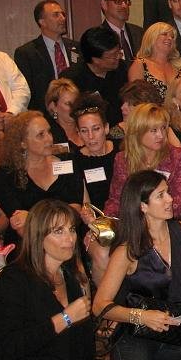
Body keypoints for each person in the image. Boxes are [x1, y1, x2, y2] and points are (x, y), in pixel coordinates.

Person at [0, 200, 149, 360]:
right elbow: (7, 348)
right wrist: (65, 318)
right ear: (38, 236)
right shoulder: (13, 281)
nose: (69, 238)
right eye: (58, 231)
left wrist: (98, 332)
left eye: (71, 229)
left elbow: (81, 344)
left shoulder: (68, 276)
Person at [92, 170, 181, 360]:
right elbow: (99, 305)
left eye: (168, 192)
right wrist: (142, 316)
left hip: (174, 331)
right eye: (161, 195)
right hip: (136, 332)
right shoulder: (127, 250)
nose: (170, 199)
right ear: (143, 206)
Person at [0, 111, 84, 253]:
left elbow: (75, 211)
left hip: (68, 240)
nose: (49, 139)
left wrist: (31, 217)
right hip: (28, 247)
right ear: (23, 143)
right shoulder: (4, 175)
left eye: (49, 132)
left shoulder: (68, 161)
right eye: (40, 135)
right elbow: (21, 226)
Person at [104, 103, 181, 221]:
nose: (161, 135)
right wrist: (106, 222)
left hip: (175, 218)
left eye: (163, 128)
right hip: (137, 221)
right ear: (138, 132)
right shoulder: (122, 159)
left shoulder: (177, 156)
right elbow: (117, 199)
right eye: (154, 130)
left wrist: (148, 217)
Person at [73, 94, 120, 285]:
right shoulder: (76, 160)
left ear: (106, 128)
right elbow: (85, 203)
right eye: (84, 131)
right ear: (78, 133)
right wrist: (91, 224)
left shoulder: (121, 152)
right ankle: (106, 301)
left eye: (96, 129)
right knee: (102, 254)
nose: (91, 137)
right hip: (95, 221)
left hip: (123, 215)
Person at [127, 22, 181, 101]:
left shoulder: (179, 65)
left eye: (172, 37)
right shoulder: (140, 64)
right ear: (152, 37)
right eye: (164, 34)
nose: (170, 38)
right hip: (150, 108)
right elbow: (135, 99)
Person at [45, 78, 83, 150]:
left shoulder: (87, 129)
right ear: (53, 106)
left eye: (76, 102)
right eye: (68, 103)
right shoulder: (49, 137)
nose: (74, 107)